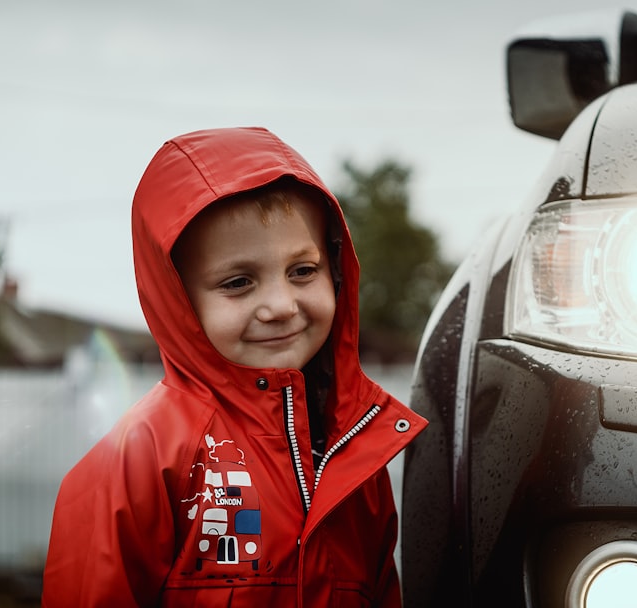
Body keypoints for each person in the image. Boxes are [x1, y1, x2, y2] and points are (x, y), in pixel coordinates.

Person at [41, 126, 427, 607]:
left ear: (335, 269)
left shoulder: (355, 453)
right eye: (239, 282)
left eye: (302, 271)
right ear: (177, 299)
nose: (281, 305)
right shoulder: (140, 458)